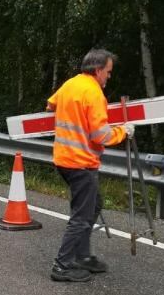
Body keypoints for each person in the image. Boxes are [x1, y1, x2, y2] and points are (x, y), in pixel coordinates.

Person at [47, 48, 133, 282]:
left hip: (65, 159)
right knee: (82, 216)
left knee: (94, 207)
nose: (109, 77)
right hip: (80, 163)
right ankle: (62, 266)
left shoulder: (70, 84)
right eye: (108, 72)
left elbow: (50, 105)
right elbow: (100, 136)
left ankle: (82, 257)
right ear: (97, 70)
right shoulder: (94, 93)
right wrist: (123, 132)